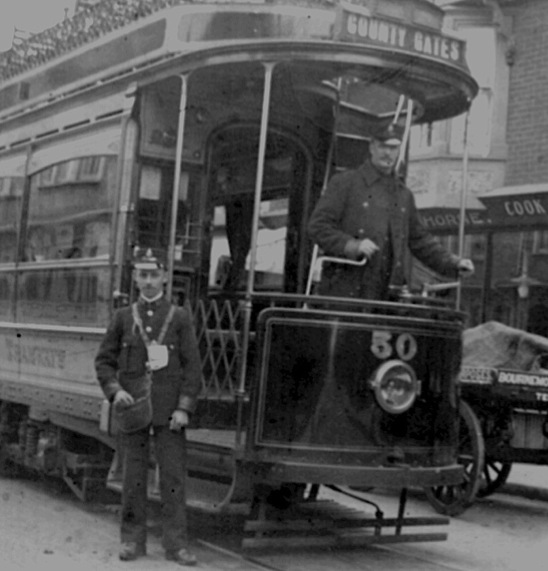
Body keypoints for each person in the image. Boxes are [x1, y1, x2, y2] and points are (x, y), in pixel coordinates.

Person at [95, 248, 201, 566]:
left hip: (169, 413)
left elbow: (192, 368)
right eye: (143, 275)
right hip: (135, 411)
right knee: (133, 478)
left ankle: (176, 546)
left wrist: (184, 408)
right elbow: (104, 361)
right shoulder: (123, 318)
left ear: (166, 278)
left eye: (155, 275)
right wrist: (115, 392)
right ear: (135, 278)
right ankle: (131, 542)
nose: (149, 281)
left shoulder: (180, 318)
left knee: (172, 479)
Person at [308, 122, 474, 301]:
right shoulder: (345, 183)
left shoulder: (403, 195)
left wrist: (453, 263)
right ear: (372, 147)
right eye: (382, 146)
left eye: (393, 147)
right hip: (346, 292)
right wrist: (352, 245)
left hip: (388, 293)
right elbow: (318, 226)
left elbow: (420, 241)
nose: (387, 153)